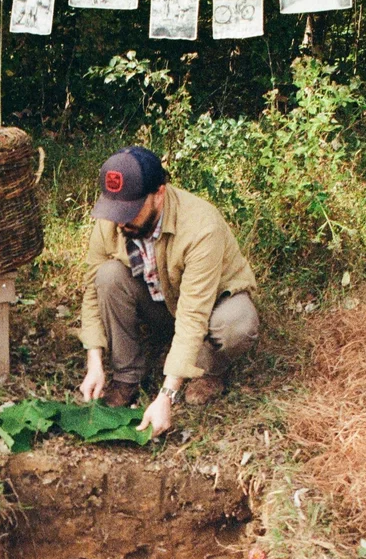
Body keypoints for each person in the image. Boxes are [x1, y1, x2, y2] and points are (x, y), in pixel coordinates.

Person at [79, 146, 259, 438]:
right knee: (107, 276)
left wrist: (166, 396)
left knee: (236, 325)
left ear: (159, 193)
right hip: (159, 299)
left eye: (130, 210)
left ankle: (211, 368)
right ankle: (126, 376)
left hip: (211, 306)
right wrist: (94, 362)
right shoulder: (113, 217)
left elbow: (193, 314)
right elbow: (91, 292)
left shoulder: (202, 227)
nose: (120, 221)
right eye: (116, 210)